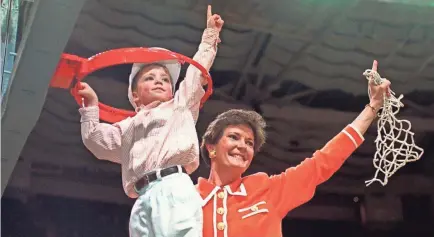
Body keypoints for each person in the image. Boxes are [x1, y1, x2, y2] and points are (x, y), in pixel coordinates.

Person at [197, 60, 391, 237]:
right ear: (211, 147)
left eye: (249, 143)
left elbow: (322, 163)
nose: (242, 146)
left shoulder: (267, 190)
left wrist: (372, 106)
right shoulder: (186, 197)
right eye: (234, 137)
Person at [77, 5, 224, 237]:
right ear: (135, 95)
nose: (159, 81)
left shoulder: (180, 105)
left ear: (171, 90)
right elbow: (95, 141)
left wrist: (210, 36)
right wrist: (91, 106)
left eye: (165, 79)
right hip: (143, 196)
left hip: (174, 187)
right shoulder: (127, 127)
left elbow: (196, 72)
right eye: (149, 77)